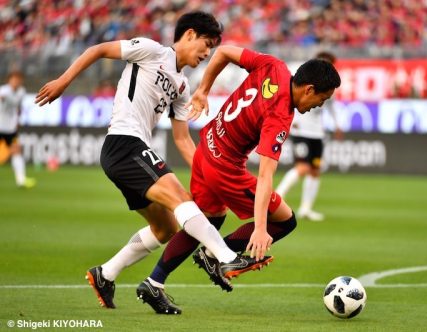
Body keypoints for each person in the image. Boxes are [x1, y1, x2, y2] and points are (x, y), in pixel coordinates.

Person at [35, 11, 268, 315]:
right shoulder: (151, 50)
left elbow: (183, 140)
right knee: (182, 200)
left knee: (166, 228)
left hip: (130, 151)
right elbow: (98, 50)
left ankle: (105, 274)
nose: (207, 53)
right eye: (206, 44)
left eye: (212, 48)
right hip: (124, 142)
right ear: (188, 35)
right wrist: (64, 81)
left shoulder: (182, 88)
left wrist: (209, 170)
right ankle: (225, 256)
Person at [140, 45, 341, 314]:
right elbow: (266, 175)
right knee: (285, 220)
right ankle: (215, 254)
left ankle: (155, 281)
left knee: (207, 220)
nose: (320, 105)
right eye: (323, 99)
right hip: (224, 168)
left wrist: (204, 90)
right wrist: (259, 228)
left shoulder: (274, 66)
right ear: (309, 90)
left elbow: (222, 51)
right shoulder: (280, 114)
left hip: (206, 147)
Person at [276, 52, 342, 221]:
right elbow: (292, 99)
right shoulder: (307, 81)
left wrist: (337, 125)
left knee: (315, 170)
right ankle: (276, 198)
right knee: (303, 167)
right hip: (301, 131)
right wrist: (292, 122)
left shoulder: (328, 86)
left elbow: (331, 107)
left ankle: (306, 208)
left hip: (317, 133)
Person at [0, 70, 36, 189]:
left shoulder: (21, 92)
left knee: (17, 151)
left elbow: (18, 108)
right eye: (13, 79)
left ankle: (21, 180)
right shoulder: (4, 91)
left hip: (10, 129)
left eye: (18, 79)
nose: (16, 81)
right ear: (9, 80)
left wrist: (17, 121)